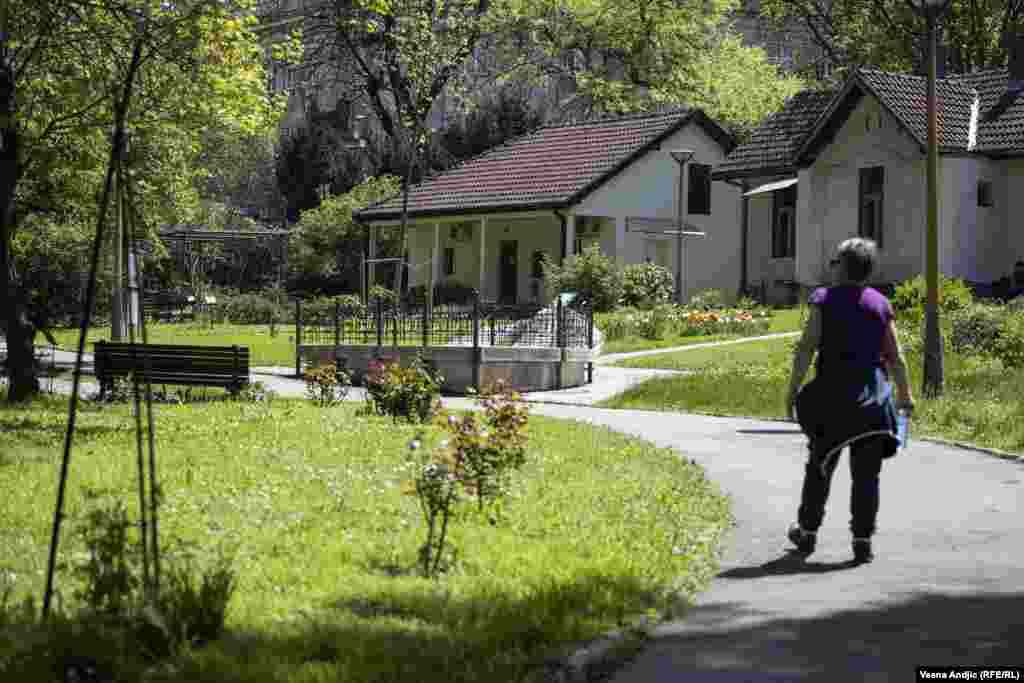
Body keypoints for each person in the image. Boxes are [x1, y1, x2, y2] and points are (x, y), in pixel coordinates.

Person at [785, 238, 915, 564]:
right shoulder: (881, 304)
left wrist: (792, 390)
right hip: (873, 402)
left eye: (835, 262)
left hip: (832, 399)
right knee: (867, 475)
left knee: (820, 467)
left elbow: (806, 348)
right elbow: (895, 357)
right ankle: (862, 540)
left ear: (842, 266)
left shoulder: (824, 299)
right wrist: (905, 396)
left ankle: (807, 532)